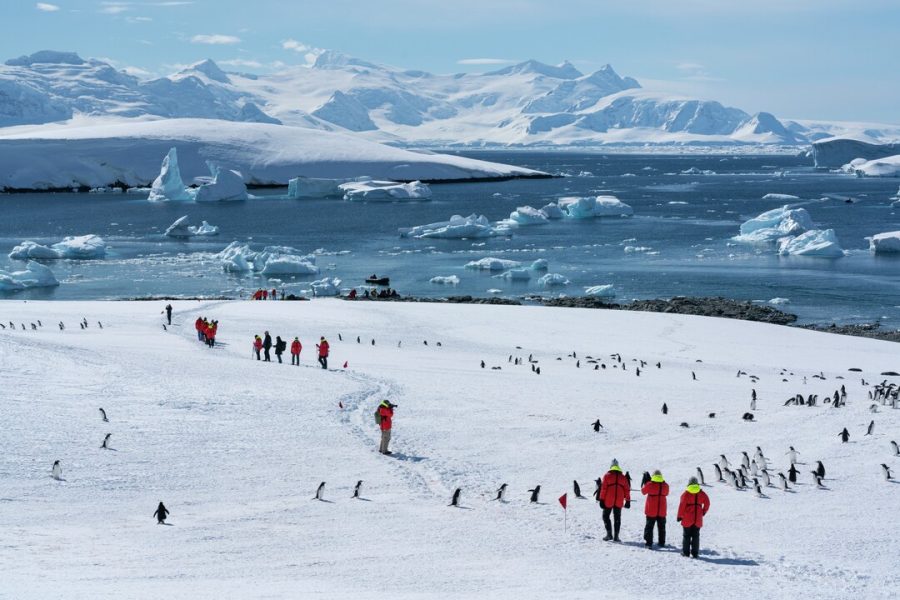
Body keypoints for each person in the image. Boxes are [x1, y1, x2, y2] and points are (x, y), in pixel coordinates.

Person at [677, 476, 710, 558]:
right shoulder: (701, 493)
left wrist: (679, 516)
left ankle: (686, 552)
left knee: (686, 535)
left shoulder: (686, 493)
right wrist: (703, 512)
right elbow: (707, 503)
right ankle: (695, 553)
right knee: (696, 536)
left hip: (687, 518)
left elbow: (682, 506)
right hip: (698, 518)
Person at [599, 458, 631, 541]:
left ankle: (609, 534)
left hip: (608, 500)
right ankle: (616, 537)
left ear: (611, 466)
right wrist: (627, 500)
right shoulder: (623, 477)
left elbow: (603, 489)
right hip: (619, 501)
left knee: (605, 516)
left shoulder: (607, 476)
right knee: (617, 518)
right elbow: (627, 490)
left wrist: (601, 499)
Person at [641, 469, 669, 548]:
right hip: (662, 510)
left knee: (649, 527)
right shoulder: (665, 485)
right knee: (661, 527)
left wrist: (646, 483)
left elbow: (643, 492)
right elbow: (667, 492)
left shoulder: (650, 484)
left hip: (651, 510)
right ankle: (661, 542)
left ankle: (649, 543)